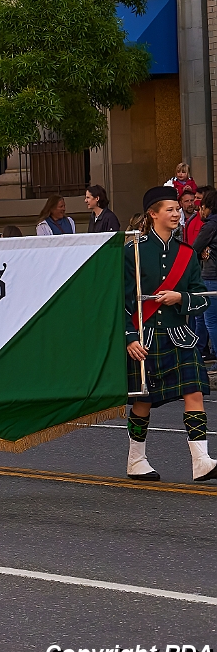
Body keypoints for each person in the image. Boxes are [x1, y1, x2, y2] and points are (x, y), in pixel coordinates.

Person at [125, 186, 217, 484]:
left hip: (180, 336)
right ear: (153, 214)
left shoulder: (187, 254)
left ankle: (201, 461)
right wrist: (129, 337)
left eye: (178, 209)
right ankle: (136, 459)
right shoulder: (133, 251)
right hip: (145, 337)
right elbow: (120, 300)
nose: (177, 213)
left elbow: (201, 297)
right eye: (170, 209)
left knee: (195, 392)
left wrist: (181, 298)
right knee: (143, 401)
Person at [192, 190, 217, 361]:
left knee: (211, 320)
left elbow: (195, 248)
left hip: (211, 275)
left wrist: (204, 251)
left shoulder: (210, 225)